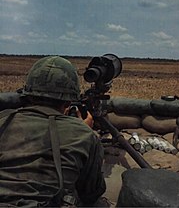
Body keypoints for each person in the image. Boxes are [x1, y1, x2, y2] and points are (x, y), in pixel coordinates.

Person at [0, 56, 106, 207]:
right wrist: (83, 131)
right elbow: (92, 192)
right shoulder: (83, 134)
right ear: (69, 102)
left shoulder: (3, 120)